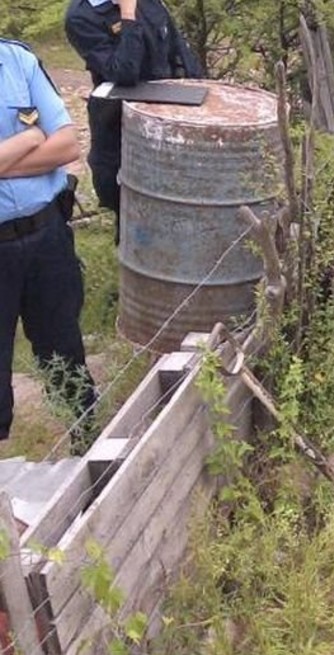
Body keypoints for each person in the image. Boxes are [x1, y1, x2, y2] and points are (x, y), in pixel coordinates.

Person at [0, 38, 97, 454]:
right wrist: (27, 140)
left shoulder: (18, 60)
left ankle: (90, 454)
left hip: (46, 238)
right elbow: (45, 140)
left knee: (64, 354)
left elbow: (67, 145)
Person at [65, 0, 205, 242]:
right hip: (119, 122)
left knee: (180, 196)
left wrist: (198, 91)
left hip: (171, 115)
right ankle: (134, 264)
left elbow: (177, 50)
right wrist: (128, 15)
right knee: (128, 201)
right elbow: (124, 73)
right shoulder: (81, 17)